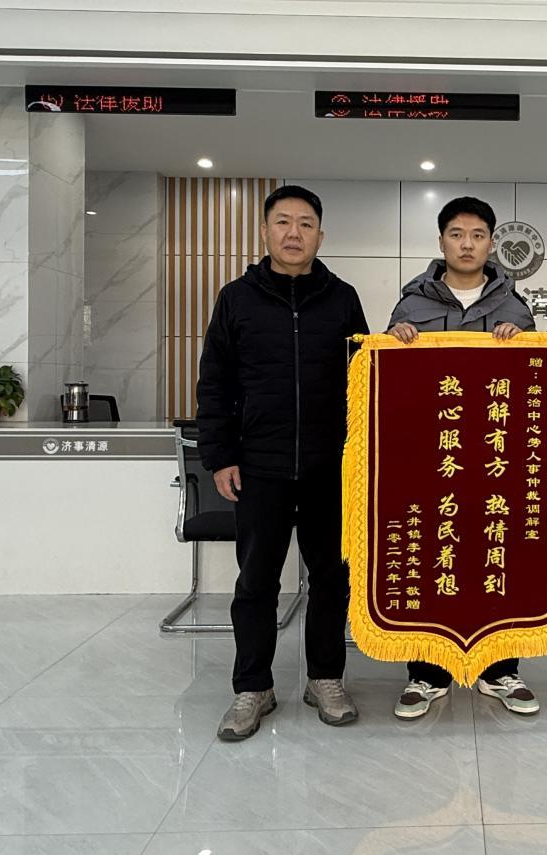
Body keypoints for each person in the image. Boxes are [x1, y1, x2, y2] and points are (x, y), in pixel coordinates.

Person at [197, 184, 369, 739]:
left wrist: (362, 457)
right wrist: (220, 455)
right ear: (265, 231)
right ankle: (253, 686)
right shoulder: (236, 299)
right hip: (259, 466)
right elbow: (215, 382)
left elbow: (365, 382)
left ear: (321, 235)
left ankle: (325, 678)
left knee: (331, 578)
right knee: (256, 582)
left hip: (329, 467)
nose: (294, 233)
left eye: (305, 224)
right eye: (283, 222)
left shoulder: (342, 299)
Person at [385, 195, 541, 719]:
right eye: (456, 234)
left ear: (492, 244)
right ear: (441, 241)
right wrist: (395, 342)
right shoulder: (411, 306)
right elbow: (387, 386)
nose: (467, 244)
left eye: (477, 235)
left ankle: (501, 670)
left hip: (497, 461)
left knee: (497, 556)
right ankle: (427, 675)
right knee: (433, 558)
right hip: (431, 462)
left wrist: (522, 344)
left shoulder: (514, 308)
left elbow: (535, 387)